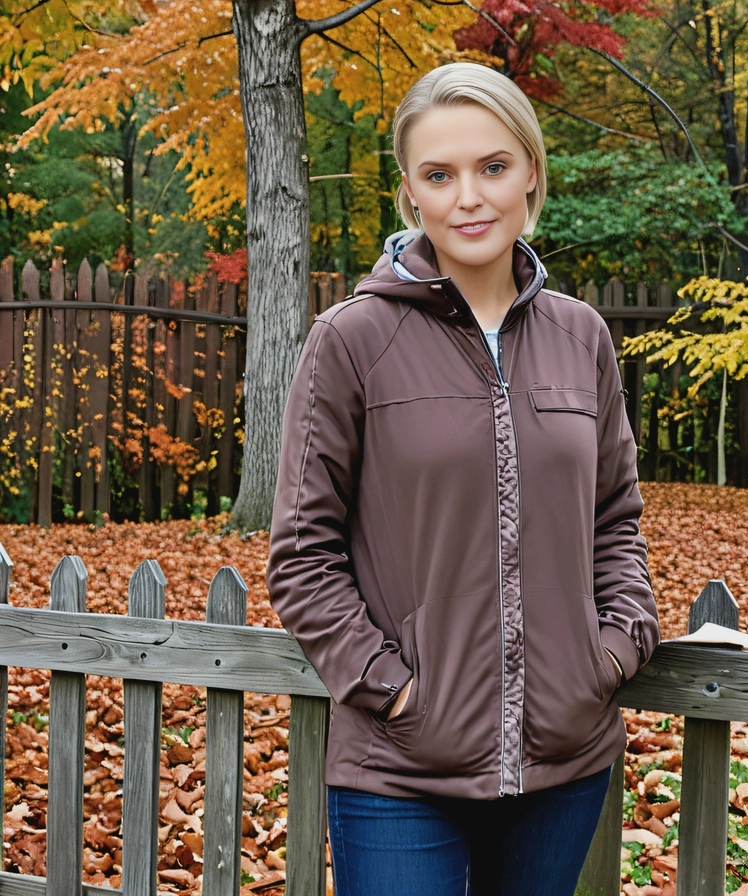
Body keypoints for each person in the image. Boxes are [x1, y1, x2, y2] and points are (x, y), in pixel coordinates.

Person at [267, 62, 660, 896]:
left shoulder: (580, 337)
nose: (469, 198)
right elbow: (303, 553)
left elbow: (615, 519)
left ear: (531, 174)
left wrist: (613, 651)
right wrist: (393, 691)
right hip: (400, 770)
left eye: (492, 167)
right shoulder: (350, 339)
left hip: (565, 759)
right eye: (440, 176)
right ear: (410, 193)